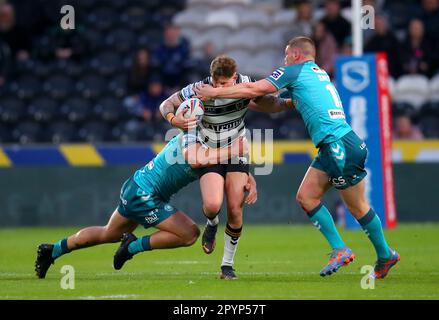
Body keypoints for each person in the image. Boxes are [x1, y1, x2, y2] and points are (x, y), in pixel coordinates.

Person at [195, 36, 400, 279]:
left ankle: (375, 253)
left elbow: (255, 89)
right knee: (306, 197)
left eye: (286, 54)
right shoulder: (318, 73)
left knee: (357, 207)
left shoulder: (294, 71)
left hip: (339, 145)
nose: (284, 59)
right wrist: (247, 101)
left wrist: (215, 92)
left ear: (296, 55)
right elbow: (271, 102)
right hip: (336, 145)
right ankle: (364, 252)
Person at [35, 131, 257, 279]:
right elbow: (201, 160)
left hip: (136, 187)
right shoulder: (195, 140)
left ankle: (51, 250)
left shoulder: (204, 138)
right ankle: (131, 247)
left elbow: (229, 167)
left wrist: (249, 177)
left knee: (108, 233)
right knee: (189, 234)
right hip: (144, 194)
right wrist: (236, 150)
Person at [159, 55, 291, 280]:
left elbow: (270, 103)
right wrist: (174, 120)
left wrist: (290, 102)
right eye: (216, 83)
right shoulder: (199, 88)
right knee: (212, 205)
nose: (219, 88)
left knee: (235, 208)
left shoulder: (246, 84)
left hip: (237, 149)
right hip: (209, 152)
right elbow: (166, 104)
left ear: (234, 77)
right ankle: (212, 222)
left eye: (225, 84)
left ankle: (227, 265)